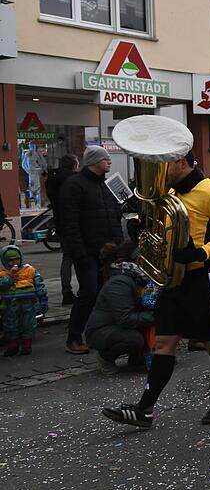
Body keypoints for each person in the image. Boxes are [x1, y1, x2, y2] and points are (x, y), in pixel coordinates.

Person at [103, 141, 210, 430]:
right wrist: (141, 230)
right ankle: (145, 409)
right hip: (172, 278)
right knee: (164, 342)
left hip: (203, 277)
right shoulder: (167, 194)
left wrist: (200, 252)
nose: (159, 171)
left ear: (180, 162)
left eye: (164, 164)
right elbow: (159, 230)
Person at [58, 145, 124, 355]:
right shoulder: (74, 185)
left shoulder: (104, 185)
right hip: (87, 251)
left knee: (102, 294)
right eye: (106, 159)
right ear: (94, 161)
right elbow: (70, 222)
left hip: (106, 251)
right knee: (88, 293)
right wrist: (79, 253)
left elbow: (113, 214)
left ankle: (96, 333)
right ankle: (74, 338)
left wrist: (118, 244)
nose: (110, 162)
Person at [85, 241, 156, 374]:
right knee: (134, 339)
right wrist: (155, 316)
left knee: (148, 328)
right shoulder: (119, 282)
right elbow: (125, 319)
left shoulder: (134, 276)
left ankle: (137, 358)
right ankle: (105, 357)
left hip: (116, 325)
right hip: (100, 331)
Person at [44, 154, 80, 306]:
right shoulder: (73, 180)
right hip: (76, 223)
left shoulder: (51, 180)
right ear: (74, 165)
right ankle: (83, 289)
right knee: (80, 258)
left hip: (60, 223)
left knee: (67, 258)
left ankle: (66, 291)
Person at [0, 245, 47, 356]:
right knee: (10, 324)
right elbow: (2, 285)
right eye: (10, 260)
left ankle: (26, 345)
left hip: (28, 303)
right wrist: (11, 275)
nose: (14, 262)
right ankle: (13, 345)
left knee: (28, 323)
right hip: (10, 304)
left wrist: (43, 300)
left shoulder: (30, 270)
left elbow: (39, 286)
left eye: (16, 259)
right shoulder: (3, 274)